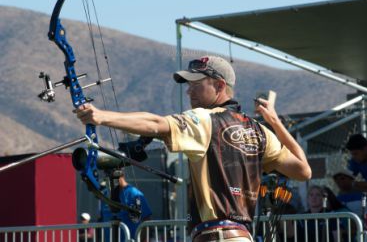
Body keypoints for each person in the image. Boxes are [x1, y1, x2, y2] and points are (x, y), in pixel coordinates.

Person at [75, 55, 312, 241]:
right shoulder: (259, 132)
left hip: (216, 237)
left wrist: (100, 117)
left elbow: (157, 124)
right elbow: (303, 170)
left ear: (219, 86)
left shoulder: (205, 120)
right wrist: (275, 122)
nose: (188, 91)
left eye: (196, 84)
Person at [101, 170, 152, 241]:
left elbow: (146, 219)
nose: (108, 178)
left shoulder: (134, 194)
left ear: (120, 174)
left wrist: (142, 240)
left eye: (110, 175)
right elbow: (101, 219)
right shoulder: (105, 195)